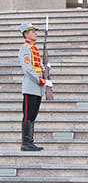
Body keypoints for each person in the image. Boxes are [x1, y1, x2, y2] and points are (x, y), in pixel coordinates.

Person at [18, 22, 51, 152]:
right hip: (31, 86)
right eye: (32, 31)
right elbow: (28, 68)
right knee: (28, 115)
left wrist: (45, 68)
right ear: (26, 34)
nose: (35, 33)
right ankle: (26, 142)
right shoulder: (25, 48)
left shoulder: (34, 48)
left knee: (33, 115)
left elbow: (36, 66)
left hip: (37, 88)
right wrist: (42, 81)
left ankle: (30, 141)